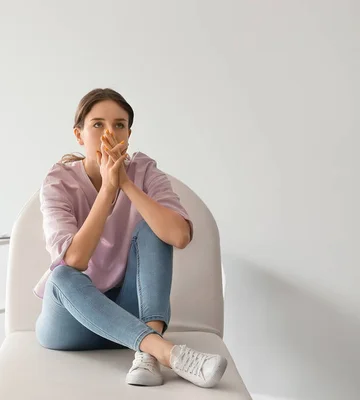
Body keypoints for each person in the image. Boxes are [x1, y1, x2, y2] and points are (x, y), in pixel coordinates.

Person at [33, 88, 228, 388]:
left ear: (128, 134)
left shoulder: (144, 170)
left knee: (155, 226)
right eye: (97, 124)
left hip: (130, 314)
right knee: (61, 276)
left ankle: (147, 357)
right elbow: (75, 259)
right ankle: (165, 353)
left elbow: (178, 236)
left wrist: (124, 182)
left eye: (119, 125)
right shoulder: (58, 181)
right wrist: (108, 190)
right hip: (70, 323)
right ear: (79, 134)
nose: (109, 132)